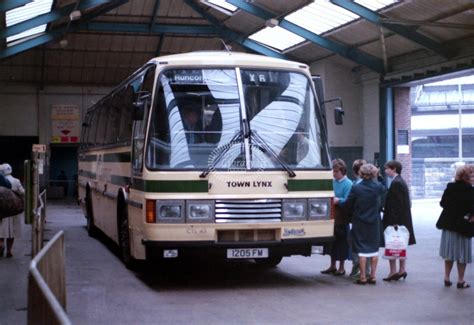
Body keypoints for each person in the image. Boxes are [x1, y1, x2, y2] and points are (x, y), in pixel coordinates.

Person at [346, 164, 386, 285]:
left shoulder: (356, 188)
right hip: (374, 222)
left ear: (361, 174)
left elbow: (348, 203)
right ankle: (373, 276)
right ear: (374, 173)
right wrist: (379, 177)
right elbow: (385, 187)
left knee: (362, 250)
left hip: (359, 222)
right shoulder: (378, 187)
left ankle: (362, 277)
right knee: (373, 250)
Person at [436, 164, 474, 289]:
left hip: (449, 224)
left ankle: (446, 278)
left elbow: (443, 203)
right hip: (464, 225)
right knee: (462, 254)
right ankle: (460, 280)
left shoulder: (450, 186)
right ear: (467, 177)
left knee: (449, 252)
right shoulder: (471, 190)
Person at [382, 160, 416, 281]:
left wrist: (394, 221)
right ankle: (401, 270)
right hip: (403, 220)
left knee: (391, 244)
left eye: (387, 169)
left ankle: (393, 271)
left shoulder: (396, 183)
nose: (385, 171)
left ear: (394, 169)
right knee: (401, 245)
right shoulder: (400, 181)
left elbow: (396, 205)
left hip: (395, 220)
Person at [321, 159, 352, 276]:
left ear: (343, 171)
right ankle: (332, 265)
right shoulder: (332, 182)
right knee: (332, 242)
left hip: (341, 217)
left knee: (342, 242)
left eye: (337, 172)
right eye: (333, 171)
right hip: (332, 215)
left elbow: (349, 200)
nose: (334, 174)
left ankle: (342, 267)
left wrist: (339, 200)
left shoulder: (348, 183)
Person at [348, 159, 369, 279]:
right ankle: (368, 271)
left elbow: (349, 204)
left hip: (357, 220)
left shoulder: (355, 186)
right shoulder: (375, 185)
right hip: (371, 221)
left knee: (356, 246)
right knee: (370, 247)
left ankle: (357, 270)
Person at [0, 164, 25, 258]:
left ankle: (1, 243)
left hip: (2, 211)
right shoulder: (16, 181)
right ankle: (9, 251)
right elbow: (23, 192)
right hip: (13, 210)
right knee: (12, 232)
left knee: (1, 230)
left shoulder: (2, 180)